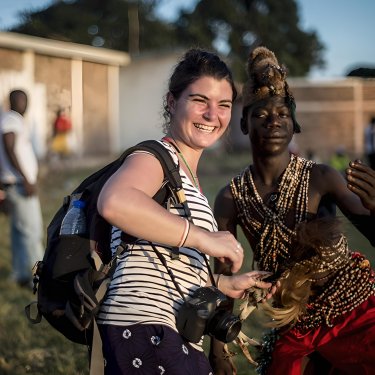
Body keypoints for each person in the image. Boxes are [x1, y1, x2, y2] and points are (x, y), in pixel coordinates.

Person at [95, 48, 277, 375]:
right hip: (144, 328)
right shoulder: (154, 157)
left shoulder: (186, 177)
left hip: (166, 332)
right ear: (171, 102)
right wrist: (205, 239)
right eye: (199, 100)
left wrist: (222, 283)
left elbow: (156, 256)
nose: (212, 114)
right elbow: (115, 201)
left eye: (223, 105)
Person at [210, 46, 375, 374]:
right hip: (294, 322)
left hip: (355, 309)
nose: (273, 123)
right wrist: (217, 346)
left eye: (282, 115)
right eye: (260, 115)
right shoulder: (231, 197)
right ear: (243, 124)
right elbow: (224, 277)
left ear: (294, 124)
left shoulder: (321, 177)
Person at [0, 89, 44, 288]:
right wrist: (25, 178)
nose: (23, 103)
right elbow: (9, 147)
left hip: (14, 184)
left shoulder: (10, 119)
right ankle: (42, 281)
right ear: (11, 102)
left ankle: (20, 276)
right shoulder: (11, 119)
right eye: (19, 99)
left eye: (26, 99)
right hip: (20, 185)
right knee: (32, 232)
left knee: (19, 233)